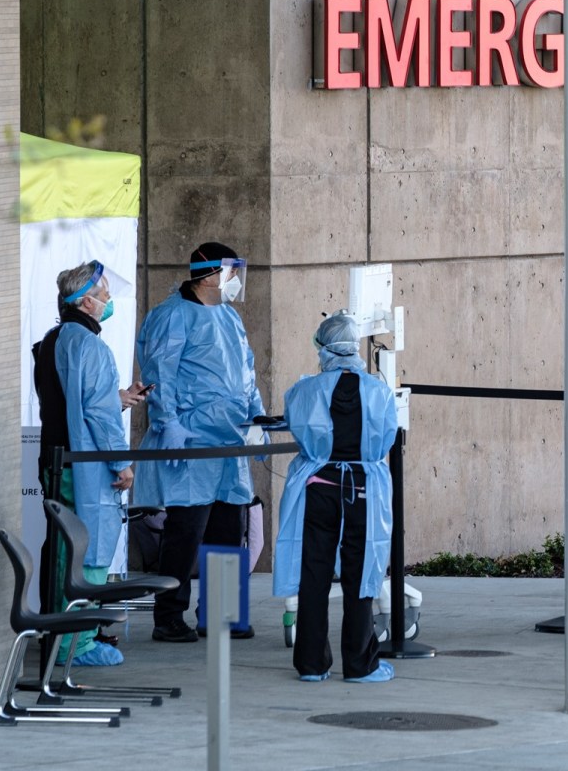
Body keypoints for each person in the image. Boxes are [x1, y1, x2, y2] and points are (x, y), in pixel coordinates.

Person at [136, 241, 265, 643]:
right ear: (210, 275)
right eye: (230, 272)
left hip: (229, 439)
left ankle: (223, 614)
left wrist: (256, 415)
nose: (235, 280)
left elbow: (246, 370)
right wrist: (168, 422)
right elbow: (160, 372)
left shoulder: (229, 316)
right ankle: (168, 616)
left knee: (228, 528)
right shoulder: (172, 316)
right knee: (185, 532)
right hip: (191, 439)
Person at [274, 311, 397, 683]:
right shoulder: (379, 391)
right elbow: (386, 438)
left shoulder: (303, 390)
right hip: (363, 490)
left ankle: (311, 664)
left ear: (324, 347)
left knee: (314, 573)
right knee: (361, 575)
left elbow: (296, 426)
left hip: (318, 490)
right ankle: (361, 664)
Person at [32, 260, 139, 667]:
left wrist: (117, 398)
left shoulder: (53, 339)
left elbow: (73, 403)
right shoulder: (91, 346)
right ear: (86, 302)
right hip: (85, 467)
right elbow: (98, 415)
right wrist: (121, 464)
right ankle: (77, 641)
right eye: (105, 294)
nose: (109, 301)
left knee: (64, 549)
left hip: (57, 461)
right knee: (85, 552)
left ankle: (64, 636)